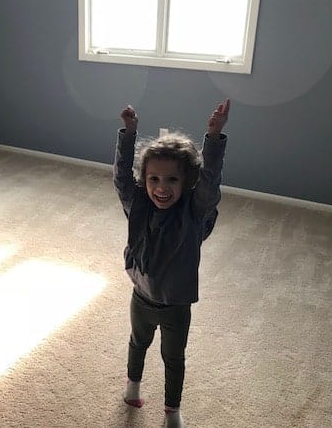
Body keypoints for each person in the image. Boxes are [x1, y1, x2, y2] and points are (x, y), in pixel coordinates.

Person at [114, 99, 230, 428]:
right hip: (141, 300)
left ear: (187, 182)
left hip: (177, 306)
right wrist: (129, 134)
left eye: (172, 181)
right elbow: (122, 179)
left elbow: (210, 183)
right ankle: (132, 386)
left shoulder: (193, 214)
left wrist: (214, 136)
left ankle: (172, 410)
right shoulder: (137, 207)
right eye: (153, 180)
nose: (161, 188)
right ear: (145, 180)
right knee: (138, 343)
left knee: (173, 358)